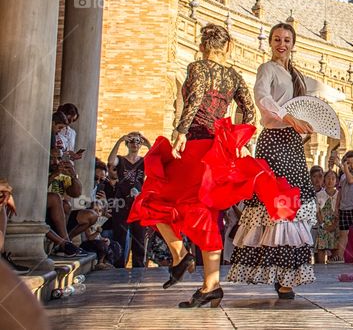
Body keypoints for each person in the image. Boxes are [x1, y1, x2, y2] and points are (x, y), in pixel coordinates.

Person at [129, 23, 292, 309]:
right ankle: (210, 285)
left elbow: (193, 99)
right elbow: (249, 109)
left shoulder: (198, 68)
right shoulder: (233, 75)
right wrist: (237, 138)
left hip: (195, 147)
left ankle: (180, 255)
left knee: (152, 197)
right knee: (207, 214)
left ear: (201, 44)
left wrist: (180, 131)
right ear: (228, 47)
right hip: (217, 152)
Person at [229, 22, 335, 299]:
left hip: (293, 143)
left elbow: (317, 96)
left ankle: (286, 274)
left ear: (293, 43)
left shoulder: (297, 75)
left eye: (287, 40)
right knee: (275, 204)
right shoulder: (267, 69)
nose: (282, 44)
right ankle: (277, 274)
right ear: (271, 42)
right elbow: (262, 97)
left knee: (293, 206)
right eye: (277, 39)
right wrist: (288, 117)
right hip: (274, 141)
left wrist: (309, 122)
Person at [108, 131, 150, 267]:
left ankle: (138, 265)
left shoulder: (143, 161)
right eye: (132, 141)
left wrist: (148, 144)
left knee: (139, 234)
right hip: (121, 200)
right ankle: (118, 264)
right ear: (127, 143)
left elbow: (154, 161)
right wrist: (120, 140)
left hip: (138, 201)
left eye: (138, 142)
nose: (135, 144)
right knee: (120, 233)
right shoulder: (121, 160)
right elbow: (110, 161)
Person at [314, 170, 339, 264]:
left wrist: (334, 225)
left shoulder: (339, 194)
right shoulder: (319, 195)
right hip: (323, 225)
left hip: (335, 225)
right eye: (328, 178)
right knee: (321, 248)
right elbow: (318, 211)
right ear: (324, 180)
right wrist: (323, 225)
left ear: (336, 181)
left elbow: (340, 210)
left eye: (333, 178)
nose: (330, 180)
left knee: (335, 248)